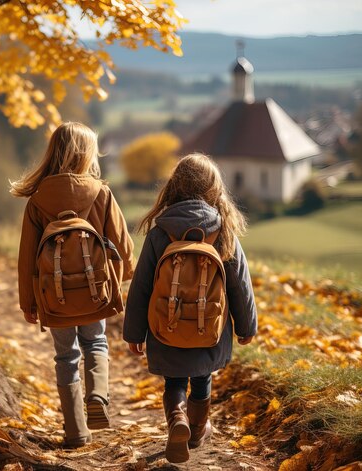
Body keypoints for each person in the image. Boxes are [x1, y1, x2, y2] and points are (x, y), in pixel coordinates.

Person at [123, 153, 257, 463]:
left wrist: (134, 332)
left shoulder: (160, 233)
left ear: (174, 188)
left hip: (165, 326)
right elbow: (239, 284)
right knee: (201, 378)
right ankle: (197, 430)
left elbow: (142, 285)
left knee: (174, 381)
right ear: (214, 190)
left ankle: (177, 420)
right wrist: (247, 327)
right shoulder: (223, 231)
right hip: (208, 327)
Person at [11, 122, 134, 448]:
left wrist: (29, 303)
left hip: (56, 295)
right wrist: (120, 279)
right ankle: (98, 396)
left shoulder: (37, 201)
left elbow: (27, 259)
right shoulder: (101, 193)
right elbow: (124, 246)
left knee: (65, 356)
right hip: (95, 291)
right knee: (96, 344)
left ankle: (75, 431)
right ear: (86, 154)